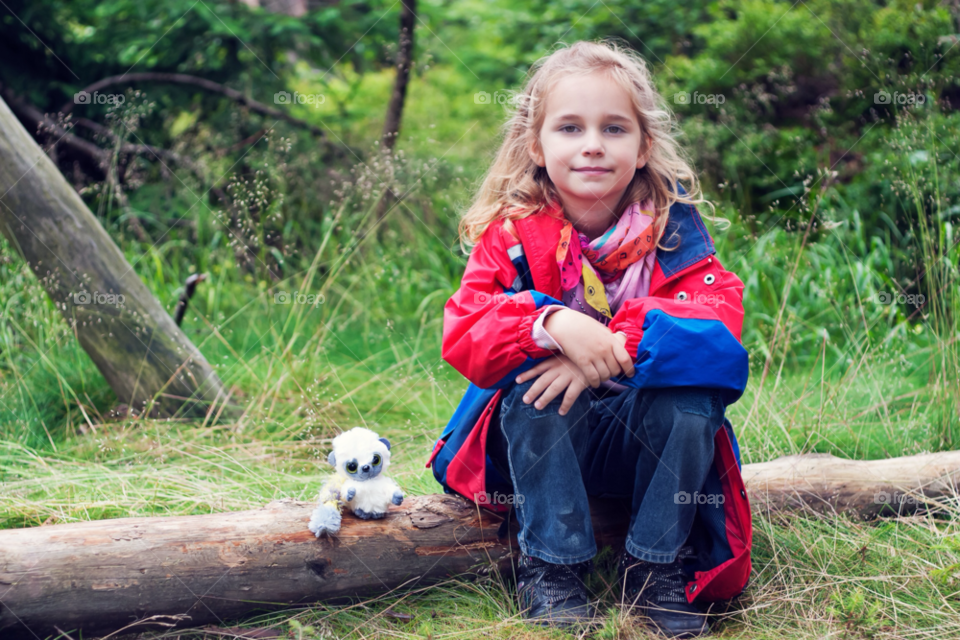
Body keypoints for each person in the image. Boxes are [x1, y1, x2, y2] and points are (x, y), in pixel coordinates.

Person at [426, 40, 752, 638]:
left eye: (614, 128)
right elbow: (467, 329)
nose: (593, 145)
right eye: (570, 127)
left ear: (644, 145)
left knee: (693, 398)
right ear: (537, 146)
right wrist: (550, 322)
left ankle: (654, 571)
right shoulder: (512, 238)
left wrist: (611, 347)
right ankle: (553, 566)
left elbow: (719, 334)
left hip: (637, 441)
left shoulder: (675, 237)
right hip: (543, 442)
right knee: (533, 390)